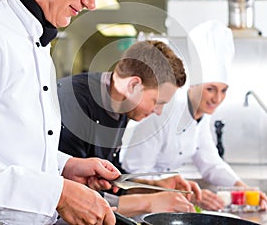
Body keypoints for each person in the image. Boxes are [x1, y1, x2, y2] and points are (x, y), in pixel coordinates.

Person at [0, 0, 124, 224]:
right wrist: (58, 194)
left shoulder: (36, 38)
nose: (92, 3)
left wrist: (64, 167)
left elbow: (7, 147)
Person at [121, 20, 267, 211]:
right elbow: (135, 172)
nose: (217, 98)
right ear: (193, 86)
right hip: (139, 202)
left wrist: (242, 188)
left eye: (224, 91)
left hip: (166, 202)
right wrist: (185, 195)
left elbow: (211, 164)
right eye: (210, 89)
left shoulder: (200, 118)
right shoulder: (162, 110)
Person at [57, 40, 201, 217]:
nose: (158, 112)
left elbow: (113, 182)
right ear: (133, 85)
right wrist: (150, 202)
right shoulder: (75, 101)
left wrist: (157, 187)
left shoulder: (121, 108)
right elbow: (72, 196)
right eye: (157, 102)